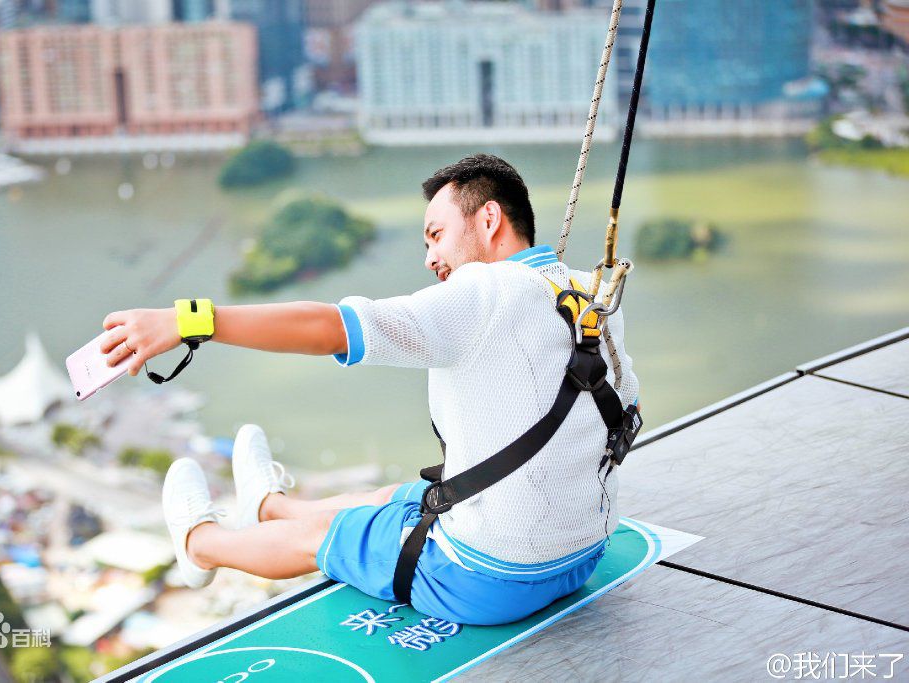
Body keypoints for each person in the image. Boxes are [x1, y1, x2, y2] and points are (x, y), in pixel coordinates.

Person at [100, 154, 639, 626]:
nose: (430, 258)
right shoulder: (588, 293)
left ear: (489, 218)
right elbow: (624, 416)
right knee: (401, 498)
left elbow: (333, 328)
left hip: (489, 578)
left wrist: (191, 320)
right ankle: (272, 509)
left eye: (436, 234)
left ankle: (200, 547)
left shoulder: (482, 293)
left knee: (337, 534)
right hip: (580, 555)